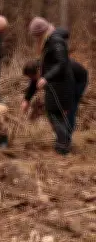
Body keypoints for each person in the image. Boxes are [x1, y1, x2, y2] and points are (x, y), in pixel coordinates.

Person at [26, 17, 76, 155]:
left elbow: (62, 63)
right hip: (56, 83)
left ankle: (63, 146)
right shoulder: (50, 41)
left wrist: (46, 78)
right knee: (55, 113)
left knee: (54, 113)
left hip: (60, 84)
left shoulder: (55, 41)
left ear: (41, 33)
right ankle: (63, 143)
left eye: (36, 36)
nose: (36, 39)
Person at [23, 58, 88, 136]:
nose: (33, 79)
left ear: (38, 70)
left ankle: (67, 135)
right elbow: (34, 83)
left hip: (78, 79)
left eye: (33, 76)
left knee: (70, 107)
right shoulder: (38, 69)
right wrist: (26, 100)